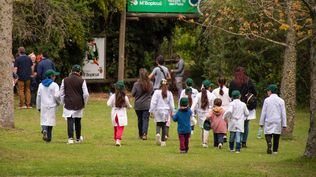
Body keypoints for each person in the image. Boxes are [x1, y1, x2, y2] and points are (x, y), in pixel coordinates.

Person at [59, 65, 89, 144]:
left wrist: (63, 101)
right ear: (79, 71)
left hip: (68, 102)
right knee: (78, 121)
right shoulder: (82, 81)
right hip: (79, 103)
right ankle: (78, 138)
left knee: (70, 120)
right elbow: (86, 94)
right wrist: (84, 102)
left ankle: (70, 138)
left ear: (71, 71)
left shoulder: (65, 80)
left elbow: (61, 93)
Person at [229, 66, 257, 148]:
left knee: (235, 122)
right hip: (247, 105)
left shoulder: (233, 82)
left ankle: (237, 140)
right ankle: (243, 141)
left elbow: (230, 94)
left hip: (236, 104)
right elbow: (254, 92)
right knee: (246, 124)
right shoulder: (248, 81)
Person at [259, 84, 287, 154]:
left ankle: (269, 143)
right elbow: (283, 113)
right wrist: (284, 124)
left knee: (268, 133)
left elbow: (263, 112)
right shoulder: (281, 101)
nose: (267, 92)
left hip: (269, 119)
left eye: (268, 91)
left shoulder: (267, 100)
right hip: (278, 120)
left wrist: (261, 123)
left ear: (270, 91)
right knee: (276, 135)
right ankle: (275, 150)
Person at [36, 69, 60, 142]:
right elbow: (56, 96)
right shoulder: (54, 85)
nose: (55, 77)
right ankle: (49, 138)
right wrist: (58, 102)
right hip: (52, 105)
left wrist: (38, 107)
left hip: (43, 105)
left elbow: (38, 96)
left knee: (44, 120)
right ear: (51, 76)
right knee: (50, 121)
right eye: (54, 75)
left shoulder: (41, 85)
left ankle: (44, 130)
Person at [191, 80, 217, 148]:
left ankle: (204, 142)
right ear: (209, 87)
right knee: (206, 127)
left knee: (203, 127)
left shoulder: (198, 95)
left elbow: (194, 105)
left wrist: (191, 112)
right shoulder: (212, 95)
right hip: (209, 113)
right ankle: (204, 142)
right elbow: (214, 105)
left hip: (200, 113)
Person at [149, 79, 175, 147]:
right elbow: (171, 104)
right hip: (166, 111)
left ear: (160, 85)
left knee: (158, 123)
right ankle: (163, 141)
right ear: (167, 85)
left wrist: (151, 110)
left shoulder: (157, 92)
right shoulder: (169, 93)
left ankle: (157, 133)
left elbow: (153, 102)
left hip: (158, 110)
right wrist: (173, 112)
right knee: (164, 125)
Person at [107, 80, 132, 146]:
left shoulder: (113, 96)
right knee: (120, 127)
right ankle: (118, 139)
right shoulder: (125, 97)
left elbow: (108, 104)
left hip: (114, 114)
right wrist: (130, 107)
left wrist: (113, 105)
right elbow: (128, 105)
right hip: (121, 114)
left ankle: (116, 139)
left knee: (115, 127)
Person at [132, 68, 153, 140]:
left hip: (138, 105)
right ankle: (144, 134)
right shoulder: (150, 84)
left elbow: (133, 94)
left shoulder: (136, 84)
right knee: (145, 119)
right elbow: (152, 93)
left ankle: (140, 134)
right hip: (147, 105)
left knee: (140, 120)